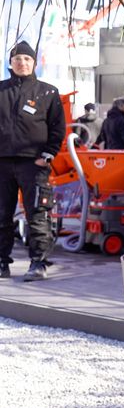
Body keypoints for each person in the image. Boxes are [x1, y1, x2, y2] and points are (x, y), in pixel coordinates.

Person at [0, 41, 66, 281]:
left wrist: (48, 154)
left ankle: (38, 264)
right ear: (11, 63)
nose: (22, 63)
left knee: (37, 214)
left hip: (33, 164)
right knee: (2, 215)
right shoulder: (1, 90)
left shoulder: (48, 92)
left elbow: (58, 127)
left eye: (27, 59)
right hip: (3, 164)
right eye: (18, 59)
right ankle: (2, 263)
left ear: (34, 63)